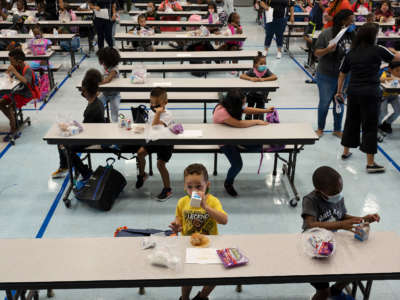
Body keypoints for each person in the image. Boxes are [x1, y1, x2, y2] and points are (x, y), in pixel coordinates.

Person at [302, 166, 381, 300]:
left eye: (340, 190)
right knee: (323, 292)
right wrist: (340, 225)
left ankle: (336, 291)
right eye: (334, 192)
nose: (338, 194)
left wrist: (363, 219)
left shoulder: (337, 197)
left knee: (352, 272)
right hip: (314, 245)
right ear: (318, 191)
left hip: (333, 241)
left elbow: (341, 216)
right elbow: (311, 224)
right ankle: (326, 293)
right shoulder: (310, 200)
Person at [337, 23, 400, 173]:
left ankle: (346, 152)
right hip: (371, 92)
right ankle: (370, 164)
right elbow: (397, 57)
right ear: (372, 36)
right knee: (369, 126)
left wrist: (339, 91)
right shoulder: (378, 50)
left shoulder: (351, 53)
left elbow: (342, 74)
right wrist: (392, 50)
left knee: (351, 121)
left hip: (353, 92)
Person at [169, 163, 228, 300]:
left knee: (214, 277)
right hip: (188, 246)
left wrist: (205, 206)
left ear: (207, 185)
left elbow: (224, 220)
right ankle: (184, 298)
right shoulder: (182, 202)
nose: (194, 191)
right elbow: (179, 218)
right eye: (189, 187)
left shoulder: (213, 202)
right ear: (184, 186)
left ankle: (202, 297)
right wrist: (177, 227)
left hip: (209, 246)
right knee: (187, 278)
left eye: (199, 186)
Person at [213, 89, 274, 197]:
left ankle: (241, 145)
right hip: (225, 141)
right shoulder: (221, 112)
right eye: (243, 102)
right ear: (235, 103)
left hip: (235, 135)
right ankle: (228, 183)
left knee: (258, 146)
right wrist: (257, 121)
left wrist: (265, 111)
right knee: (237, 164)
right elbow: (239, 124)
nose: (244, 104)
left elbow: (246, 109)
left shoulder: (232, 104)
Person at [52, 69, 105, 179]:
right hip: (94, 131)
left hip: (94, 137)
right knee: (62, 140)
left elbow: (84, 131)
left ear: (85, 91)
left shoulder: (92, 109)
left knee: (65, 145)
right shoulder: (97, 102)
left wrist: (68, 129)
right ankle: (65, 167)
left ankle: (85, 172)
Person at [314, 9, 355, 138]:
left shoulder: (353, 34)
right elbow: (316, 52)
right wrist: (327, 49)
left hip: (344, 76)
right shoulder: (327, 33)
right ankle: (320, 128)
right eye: (351, 20)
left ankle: (337, 129)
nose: (353, 22)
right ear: (343, 21)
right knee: (324, 103)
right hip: (326, 74)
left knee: (339, 102)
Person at [135, 87, 174, 201]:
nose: (153, 106)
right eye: (151, 103)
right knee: (140, 153)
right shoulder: (152, 113)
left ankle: (167, 189)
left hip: (166, 142)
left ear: (165, 103)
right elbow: (150, 126)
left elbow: (156, 124)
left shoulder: (168, 115)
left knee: (160, 164)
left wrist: (157, 113)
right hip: (154, 140)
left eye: (157, 104)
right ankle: (142, 175)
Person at [0, 49, 37, 142]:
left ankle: (13, 128)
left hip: (26, 94)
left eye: (11, 61)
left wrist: (14, 72)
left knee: (11, 108)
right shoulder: (16, 67)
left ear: (19, 61)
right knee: (0, 103)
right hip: (16, 91)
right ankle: (13, 120)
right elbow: (10, 77)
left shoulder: (27, 69)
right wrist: (8, 74)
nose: (10, 63)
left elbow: (25, 81)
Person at [240, 51, 278, 120]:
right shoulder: (252, 71)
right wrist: (251, 78)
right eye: (261, 63)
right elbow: (242, 76)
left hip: (262, 96)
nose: (263, 65)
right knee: (250, 106)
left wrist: (264, 79)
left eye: (264, 63)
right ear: (255, 65)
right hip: (251, 94)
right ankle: (248, 117)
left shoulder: (266, 71)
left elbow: (274, 77)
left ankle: (258, 119)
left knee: (260, 108)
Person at [96, 47, 120, 123]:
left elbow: (108, 79)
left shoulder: (114, 69)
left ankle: (114, 124)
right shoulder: (105, 66)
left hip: (115, 94)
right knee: (96, 105)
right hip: (105, 93)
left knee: (114, 111)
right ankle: (99, 120)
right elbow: (102, 77)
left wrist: (96, 83)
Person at [379, 61, 400, 134]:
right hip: (384, 96)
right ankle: (377, 124)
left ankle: (387, 123)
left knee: (398, 110)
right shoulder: (387, 74)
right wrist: (393, 78)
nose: (399, 72)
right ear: (390, 70)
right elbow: (381, 80)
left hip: (394, 96)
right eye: (397, 70)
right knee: (383, 112)